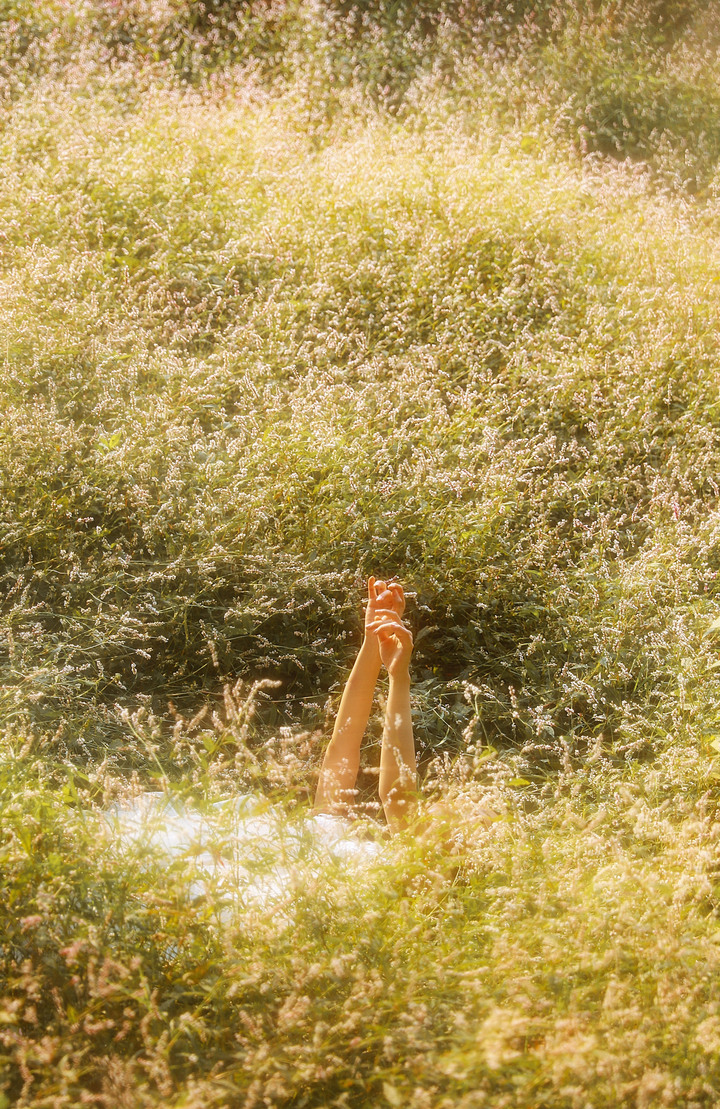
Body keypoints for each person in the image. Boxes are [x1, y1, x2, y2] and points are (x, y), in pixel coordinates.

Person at [314, 577, 417, 832]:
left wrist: (399, 679)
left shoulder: (407, 859)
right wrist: (374, 637)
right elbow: (341, 750)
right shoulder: (331, 832)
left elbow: (397, 801)